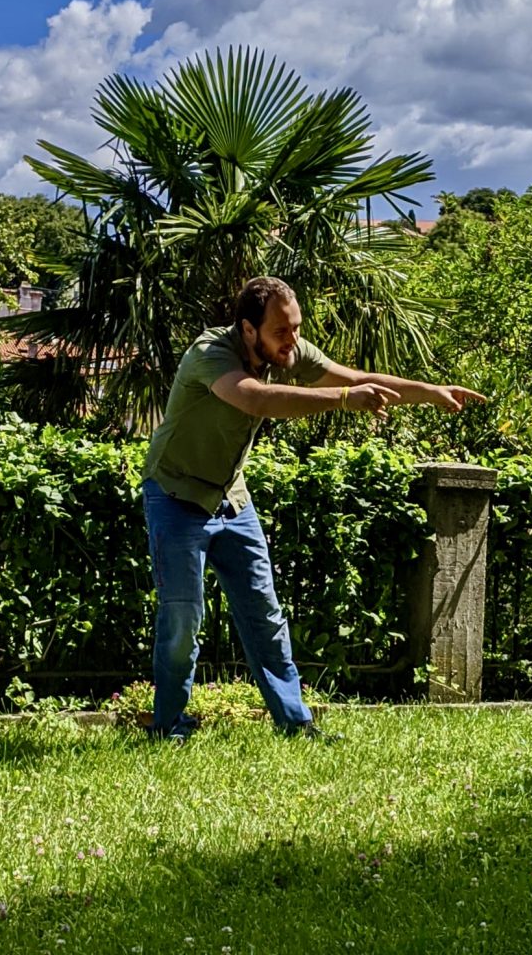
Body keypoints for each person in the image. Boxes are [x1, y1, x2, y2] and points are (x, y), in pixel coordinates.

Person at [141, 276, 485, 741]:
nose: (293, 341)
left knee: (265, 614)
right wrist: (343, 402)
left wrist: (429, 391)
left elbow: (356, 379)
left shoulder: (286, 349)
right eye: (282, 332)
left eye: (296, 329)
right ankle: (168, 726)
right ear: (248, 329)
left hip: (230, 498)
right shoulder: (210, 353)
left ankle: (295, 723)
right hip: (176, 495)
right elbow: (254, 398)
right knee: (183, 618)